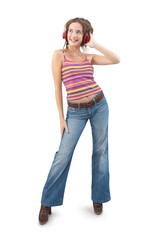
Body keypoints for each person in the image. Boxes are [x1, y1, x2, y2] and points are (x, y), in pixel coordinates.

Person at [38, 17, 120, 225]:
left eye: (78, 32)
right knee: (63, 155)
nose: (74, 35)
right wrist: (61, 118)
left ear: (85, 36)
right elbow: (57, 87)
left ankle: (99, 198)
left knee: (101, 151)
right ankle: (47, 201)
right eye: (71, 31)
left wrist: (95, 44)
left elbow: (115, 59)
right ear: (65, 34)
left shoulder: (89, 56)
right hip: (75, 112)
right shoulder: (59, 56)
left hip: (99, 105)